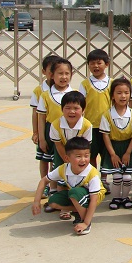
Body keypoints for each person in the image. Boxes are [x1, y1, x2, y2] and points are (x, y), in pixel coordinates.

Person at [32, 137, 104, 235]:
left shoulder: (92, 174)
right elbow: (44, 180)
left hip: (93, 197)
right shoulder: (63, 168)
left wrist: (86, 222)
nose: (83, 160)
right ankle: (80, 212)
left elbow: (94, 199)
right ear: (67, 158)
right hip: (77, 195)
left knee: (74, 192)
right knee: (53, 202)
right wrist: (36, 202)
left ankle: (85, 222)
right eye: (78, 156)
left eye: (86, 156)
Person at [36, 58, 75, 203]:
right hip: (49, 131)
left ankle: (66, 192)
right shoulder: (45, 95)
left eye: (67, 73)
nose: (64, 77)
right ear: (52, 75)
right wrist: (41, 138)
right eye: (60, 73)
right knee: (50, 160)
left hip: (68, 133)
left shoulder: (74, 94)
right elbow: (41, 117)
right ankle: (52, 192)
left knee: (63, 161)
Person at [99, 78, 132, 210]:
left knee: (128, 177)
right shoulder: (106, 115)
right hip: (114, 148)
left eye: (126, 92)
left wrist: (128, 152)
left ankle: (125, 197)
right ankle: (116, 198)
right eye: (119, 93)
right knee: (117, 176)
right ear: (112, 96)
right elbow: (105, 135)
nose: (123, 96)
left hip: (128, 148)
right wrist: (112, 154)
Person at [79, 49, 111, 168]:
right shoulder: (85, 84)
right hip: (90, 125)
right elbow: (80, 104)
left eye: (99, 63)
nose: (95, 66)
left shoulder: (111, 83)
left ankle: (103, 178)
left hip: (107, 126)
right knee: (91, 154)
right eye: (92, 63)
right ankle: (93, 176)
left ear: (106, 64)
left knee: (105, 153)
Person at [32, 54, 61, 190]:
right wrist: (36, 132)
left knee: (55, 159)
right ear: (44, 72)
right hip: (47, 130)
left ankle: (54, 185)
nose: (52, 74)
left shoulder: (65, 90)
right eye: (50, 71)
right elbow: (36, 114)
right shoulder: (39, 91)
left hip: (61, 130)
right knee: (44, 157)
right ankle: (44, 184)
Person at [49, 91, 93, 173]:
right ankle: (55, 186)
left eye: (76, 108)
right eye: (68, 108)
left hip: (80, 154)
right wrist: (68, 161)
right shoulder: (55, 125)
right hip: (62, 152)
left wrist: (77, 161)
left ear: (83, 110)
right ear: (62, 109)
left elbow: (86, 147)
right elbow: (58, 145)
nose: (72, 111)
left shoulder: (87, 125)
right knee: (59, 174)